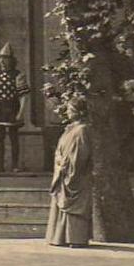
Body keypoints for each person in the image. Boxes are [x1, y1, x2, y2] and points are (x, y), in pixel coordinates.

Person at [46, 96, 93, 247]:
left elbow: (79, 155)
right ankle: (60, 237)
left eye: (71, 110)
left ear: (78, 112)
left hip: (73, 173)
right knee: (62, 204)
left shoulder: (82, 130)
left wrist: (69, 169)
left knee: (74, 206)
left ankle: (75, 238)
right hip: (63, 171)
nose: (68, 112)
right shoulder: (70, 129)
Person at [0, 42, 30, 172]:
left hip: (12, 108)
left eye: (6, 58)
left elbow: (24, 95)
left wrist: (21, 112)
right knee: (0, 137)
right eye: (1, 58)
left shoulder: (18, 75)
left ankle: (15, 165)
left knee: (14, 137)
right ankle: (0, 165)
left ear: (11, 60)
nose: (2, 61)